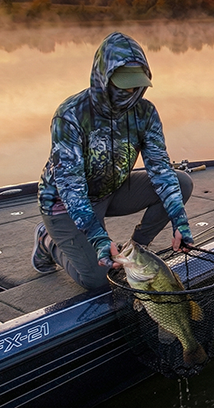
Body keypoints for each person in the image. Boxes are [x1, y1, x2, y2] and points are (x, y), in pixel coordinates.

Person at [31, 31, 194, 290]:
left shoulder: (145, 113)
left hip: (111, 191)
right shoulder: (70, 115)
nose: (130, 91)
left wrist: (180, 223)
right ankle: (47, 241)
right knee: (100, 280)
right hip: (64, 203)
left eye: (135, 84)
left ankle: (135, 251)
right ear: (102, 78)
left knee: (181, 182)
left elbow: (160, 169)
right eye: (122, 84)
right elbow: (71, 188)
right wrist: (98, 238)